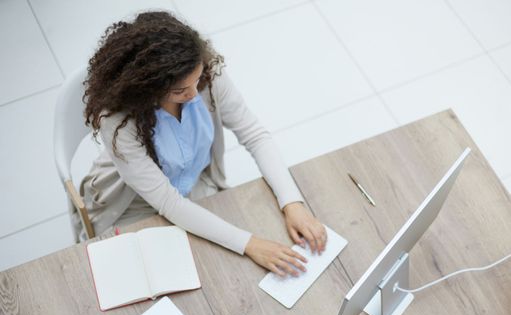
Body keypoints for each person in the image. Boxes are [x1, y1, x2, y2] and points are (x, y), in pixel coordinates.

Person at [78, 11, 326, 277]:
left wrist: (292, 203)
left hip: (194, 185)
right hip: (134, 203)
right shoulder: (118, 121)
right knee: (159, 276)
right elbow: (167, 202)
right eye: (180, 91)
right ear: (145, 89)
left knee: (226, 269)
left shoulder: (205, 75)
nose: (195, 94)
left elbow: (254, 134)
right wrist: (251, 244)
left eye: (196, 81)